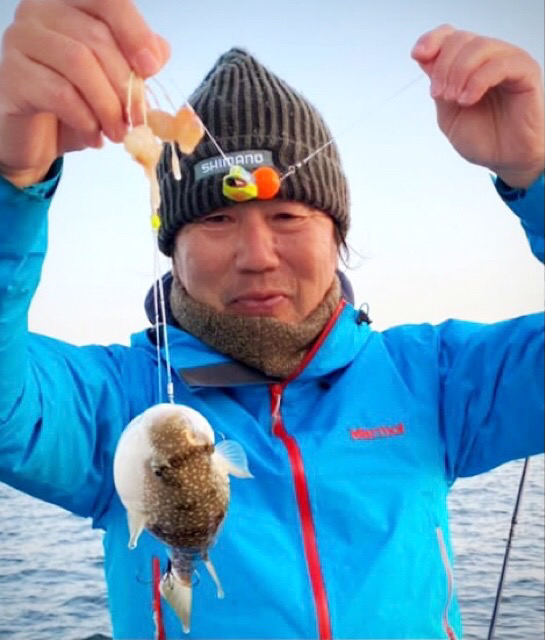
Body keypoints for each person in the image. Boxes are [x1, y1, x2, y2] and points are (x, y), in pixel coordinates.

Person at [0, 1, 543, 638]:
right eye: (216, 219)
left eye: (288, 217)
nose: (257, 257)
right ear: (172, 247)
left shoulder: (436, 381)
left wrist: (536, 171)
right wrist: (13, 179)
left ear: (336, 236)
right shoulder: (112, 404)